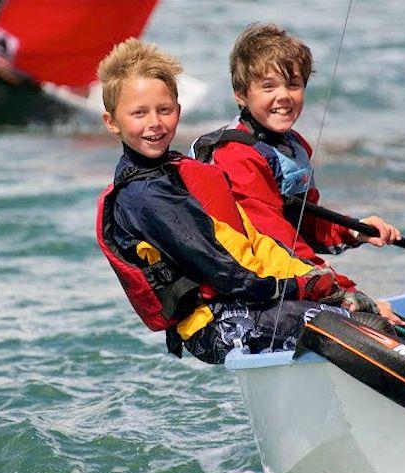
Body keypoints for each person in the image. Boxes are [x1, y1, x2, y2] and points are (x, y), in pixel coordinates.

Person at [95, 38, 374, 364]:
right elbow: (225, 268)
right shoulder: (145, 197)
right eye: (139, 113)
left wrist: (324, 283)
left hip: (241, 303)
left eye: (164, 110)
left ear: (178, 111)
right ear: (112, 122)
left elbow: (253, 241)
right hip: (214, 324)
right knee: (355, 325)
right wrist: (304, 287)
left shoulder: (176, 172)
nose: (155, 123)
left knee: (359, 313)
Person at [191, 23, 402, 322]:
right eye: (268, 87)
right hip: (238, 298)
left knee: (397, 324)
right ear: (241, 94)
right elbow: (277, 242)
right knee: (372, 318)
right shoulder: (237, 156)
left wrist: (354, 229)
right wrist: (347, 293)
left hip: (281, 275)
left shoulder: (293, 147)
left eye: (293, 84)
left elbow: (304, 221)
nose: (284, 96)